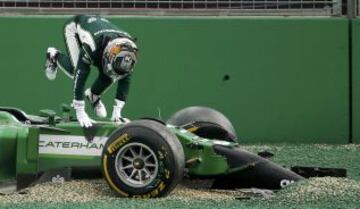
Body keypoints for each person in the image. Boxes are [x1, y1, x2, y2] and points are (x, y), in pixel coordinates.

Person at [44, 15, 138, 128]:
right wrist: (80, 109)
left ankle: (93, 95)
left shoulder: (128, 52)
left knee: (111, 74)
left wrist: (117, 112)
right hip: (75, 29)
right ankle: (54, 55)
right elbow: (81, 75)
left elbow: (125, 78)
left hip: (102, 36)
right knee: (74, 70)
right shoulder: (91, 45)